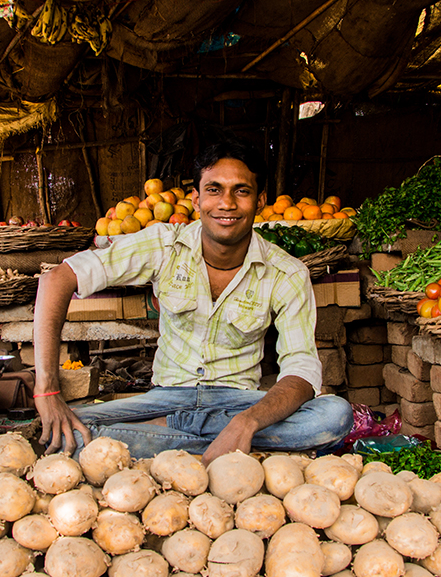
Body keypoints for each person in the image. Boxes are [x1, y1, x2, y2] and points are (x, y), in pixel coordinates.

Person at [31, 140, 353, 463]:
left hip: (237, 402)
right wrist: (46, 389)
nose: (226, 204)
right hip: (165, 400)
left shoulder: (287, 273)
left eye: (241, 191)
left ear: (260, 201)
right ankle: (212, 439)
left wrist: (248, 420)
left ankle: (164, 437)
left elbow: (302, 372)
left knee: (334, 415)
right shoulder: (164, 245)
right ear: (196, 200)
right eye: (214, 190)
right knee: (65, 426)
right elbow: (57, 279)